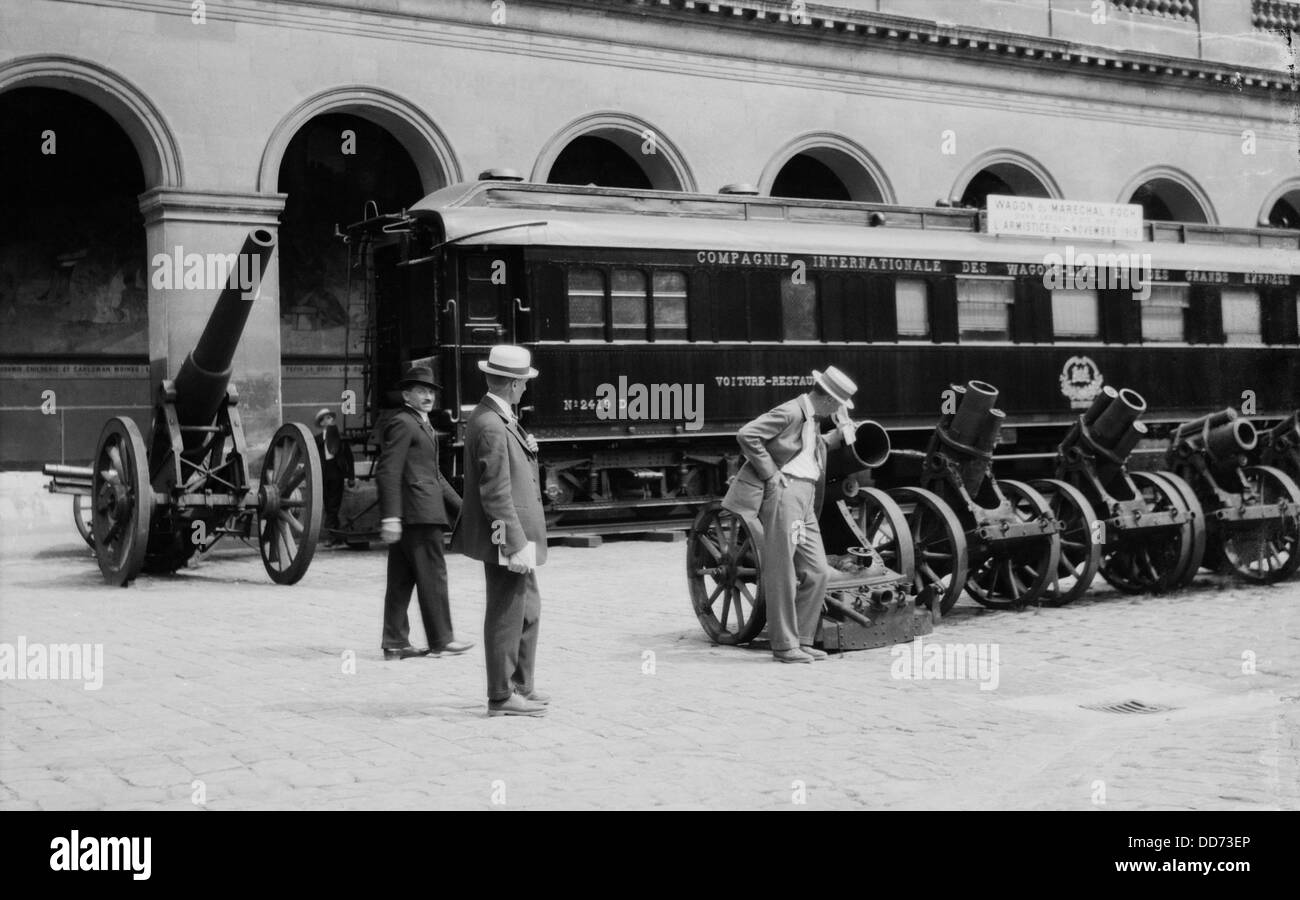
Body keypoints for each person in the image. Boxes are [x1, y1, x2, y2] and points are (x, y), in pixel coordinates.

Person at [721, 366, 859, 663]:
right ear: (828, 399)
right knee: (782, 570)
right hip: (787, 496)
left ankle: (803, 639)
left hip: (804, 498)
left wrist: (844, 432)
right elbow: (747, 434)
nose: (838, 409)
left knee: (818, 570)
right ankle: (784, 645)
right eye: (837, 404)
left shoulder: (811, 418)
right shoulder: (791, 412)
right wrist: (770, 473)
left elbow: (808, 451)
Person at [451, 345, 549, 717]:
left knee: (527, 608)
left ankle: (520, 684)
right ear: (512, 384)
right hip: (509, 534)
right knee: (507, 611)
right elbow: (494, 493)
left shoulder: (497, 416)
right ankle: (501, 694)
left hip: (516, 532)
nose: (525, 388)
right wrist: (514, 543)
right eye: (523, 383)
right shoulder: (491, 424)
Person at [377, 365, 473, 661]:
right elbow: (387, 470)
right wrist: (391, 516)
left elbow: (436, 476)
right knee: (433, 576)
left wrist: (463, 510)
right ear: (407, 394)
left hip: (417, 512)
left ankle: (395, 642)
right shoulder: (404, 423)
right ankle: (442, 639)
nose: (428, 396)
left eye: (430, 391)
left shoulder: (421, 424)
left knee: (401, 579)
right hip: (418, 514)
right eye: (421, 390)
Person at [314, 408, 355, 546]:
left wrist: (351, 477)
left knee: (334, 505)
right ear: (322, 422)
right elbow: (312, 459)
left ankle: (331, 535)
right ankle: (336, 535)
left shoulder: (340, 437)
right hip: (323, 474)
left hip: (337, 473)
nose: (331, 419)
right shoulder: (317, 440)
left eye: (331, 417)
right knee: (328, 504)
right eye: (327, 418)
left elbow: (349, 458)